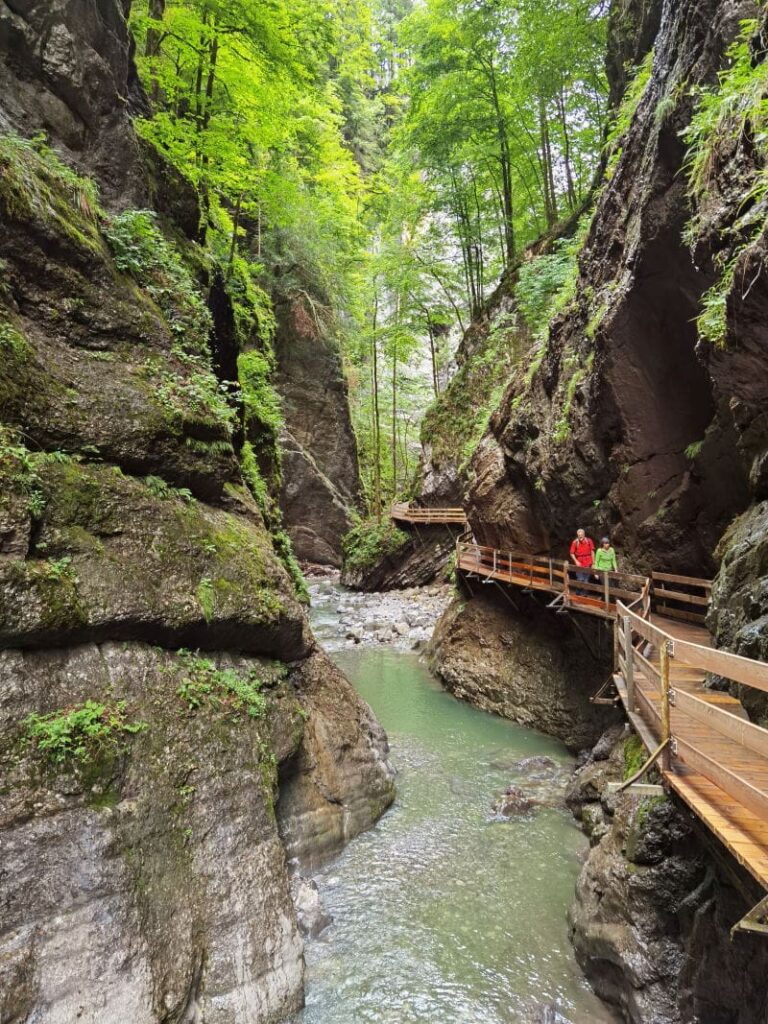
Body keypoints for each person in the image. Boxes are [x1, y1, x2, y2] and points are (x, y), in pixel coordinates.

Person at [569, 528, 595, 595]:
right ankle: (578, 592)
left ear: (584, 534)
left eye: (581, 535)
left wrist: (593, 563)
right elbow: (571, 553)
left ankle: (584, 594)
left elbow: (592, 551)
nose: (580, 536)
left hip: (588, 562)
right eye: (579, 535)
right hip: (579, 562)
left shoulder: (589, 541)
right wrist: (576, 561)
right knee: (580, 579)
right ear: (577, 535)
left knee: (586, 580)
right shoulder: (575, 542)